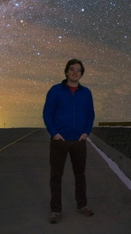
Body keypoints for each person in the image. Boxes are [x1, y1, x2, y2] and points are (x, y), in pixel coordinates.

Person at [43, 58, 95, 224]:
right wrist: (54, 133)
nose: (75, 72)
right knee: (56, 176)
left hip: (79, 141)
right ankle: (56, 210)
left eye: (78, 70)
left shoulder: (86, 93)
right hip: (60, 140)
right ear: (66, 72)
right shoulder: (55, 91)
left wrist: (86, 132)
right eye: (72, 69)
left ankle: (82, 205)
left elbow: (90, 115)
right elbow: (47, 113)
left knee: (80, 175)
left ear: (81, 73)